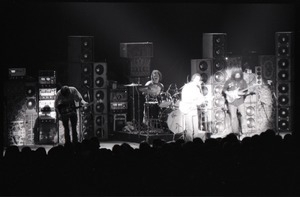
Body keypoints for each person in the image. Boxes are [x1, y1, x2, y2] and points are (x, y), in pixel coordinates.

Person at [179, 73, 206, 141]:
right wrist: (196, 100)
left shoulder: (196, 88)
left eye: (199, 79)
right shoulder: (187, 87)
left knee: (196, 129)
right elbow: (186, 99)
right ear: (193, 79)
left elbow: (199, 99)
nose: (198, 81)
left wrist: (203, 99)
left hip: (194, 109)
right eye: (196, 79)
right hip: (188, 109)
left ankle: (196, 144)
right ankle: (189, 144)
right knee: (189, 129)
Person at [223, 69, 248, 135]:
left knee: (243, 115)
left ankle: (244, 131)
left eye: (239, 74)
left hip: (240, 101)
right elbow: (224, 89)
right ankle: (235, 132)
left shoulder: (243, 81)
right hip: (231, 102)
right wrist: (230, 94)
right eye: (236, 74)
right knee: (233, 117)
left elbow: (246, 91)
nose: (237, 75)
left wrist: (240, 94)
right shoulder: (229, 81)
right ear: (233, 74)